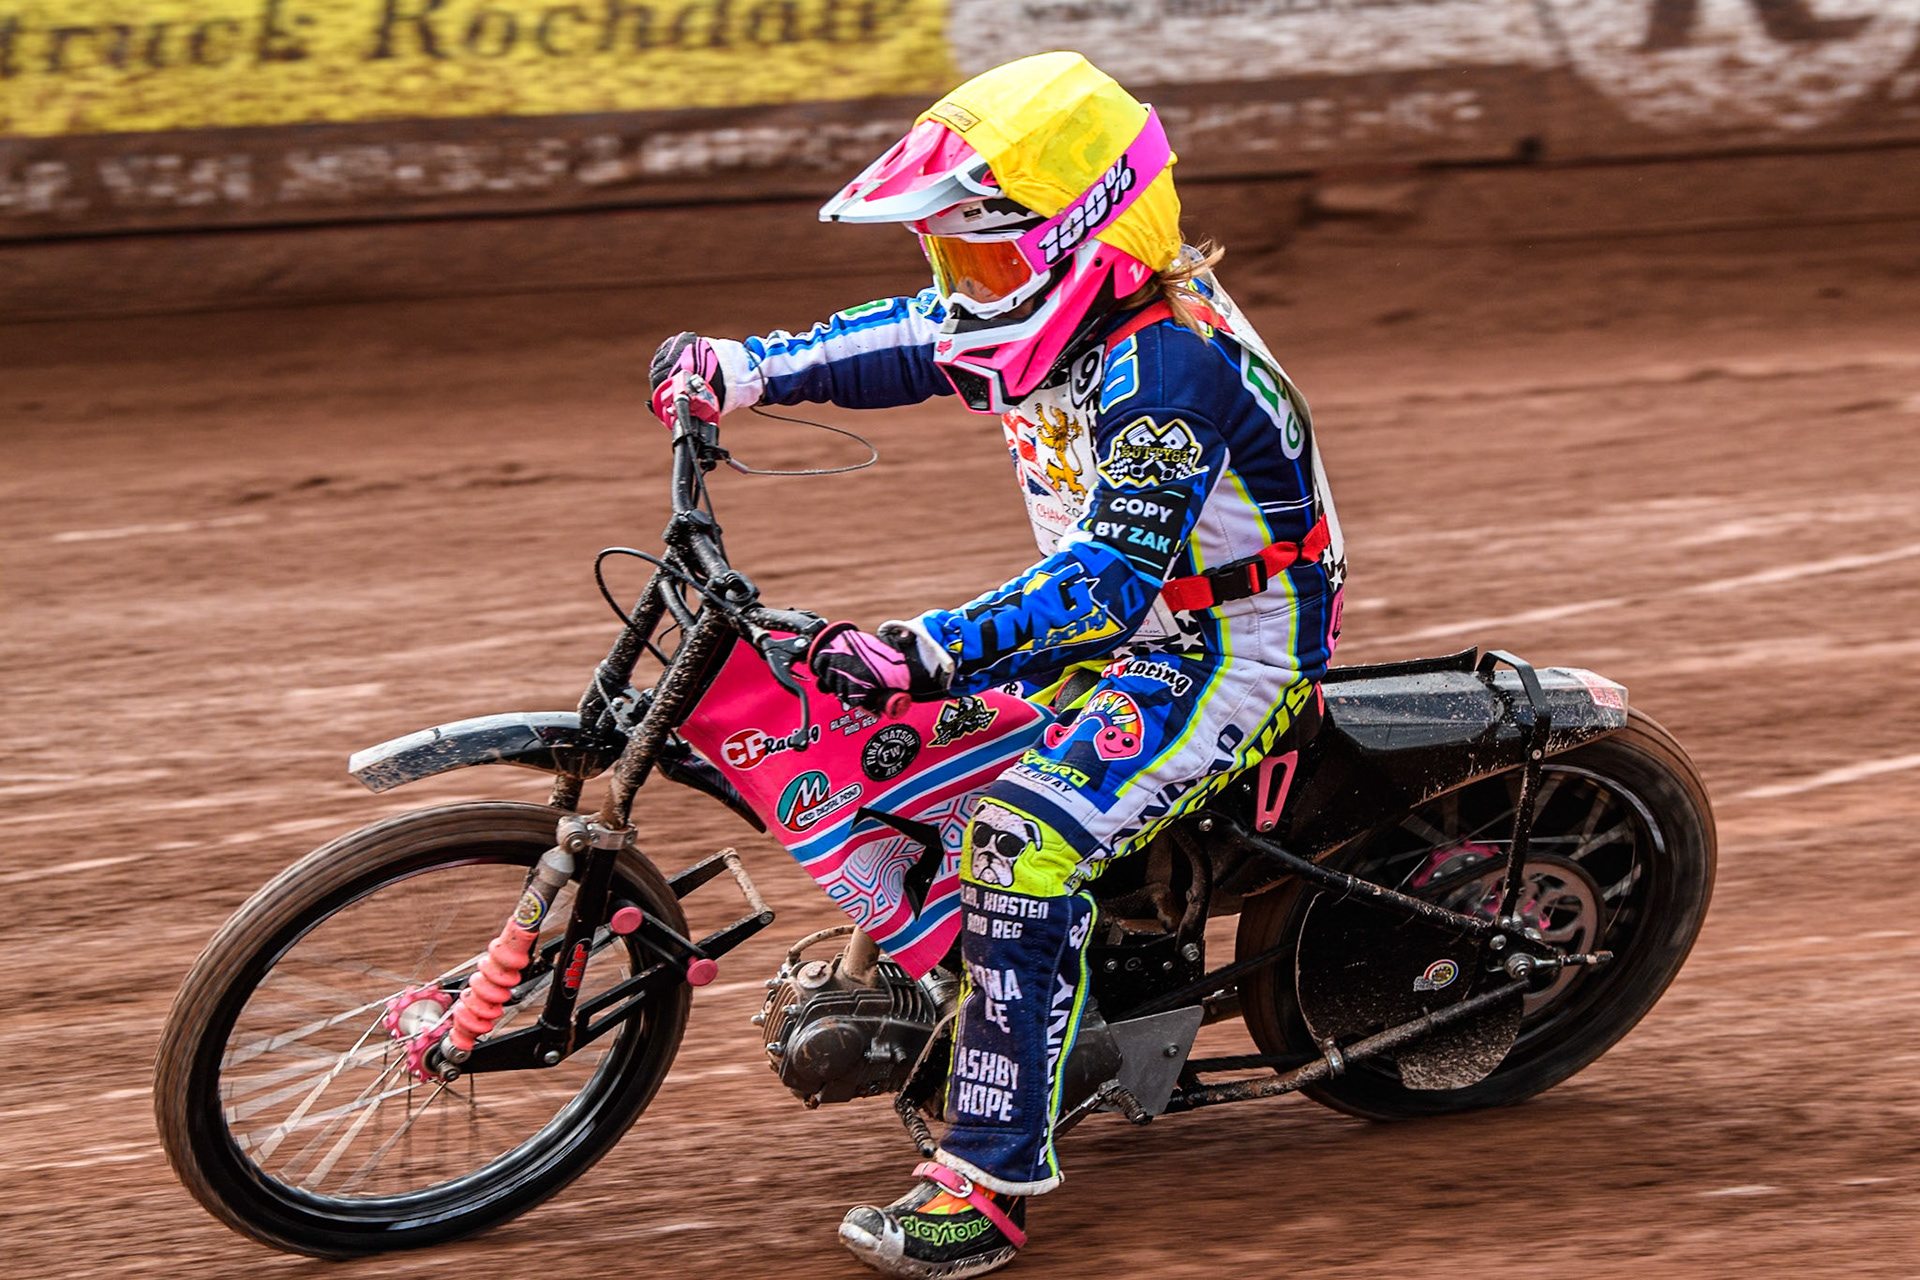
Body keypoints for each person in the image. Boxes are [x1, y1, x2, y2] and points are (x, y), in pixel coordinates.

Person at [649, 52, 1345, 1279]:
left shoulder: (1166, 367)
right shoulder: (1065, 320)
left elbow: (1104, 586)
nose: (962, 287)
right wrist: (743, 368)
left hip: (1220, 644)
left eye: (985, 257)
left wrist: (919, 651)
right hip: (1130, 625)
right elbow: (919, 340)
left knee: (1018, 841)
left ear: (1092, 239)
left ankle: (990, 1181)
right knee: (903, 748)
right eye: (951, 256)